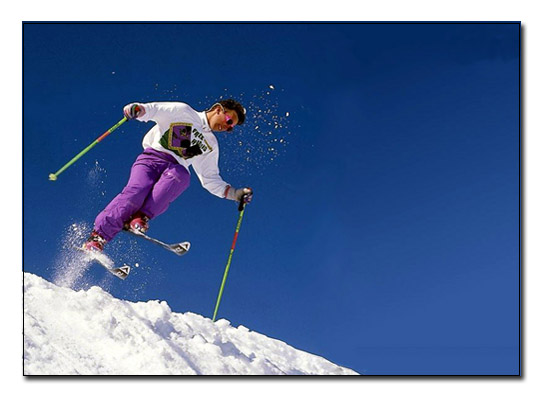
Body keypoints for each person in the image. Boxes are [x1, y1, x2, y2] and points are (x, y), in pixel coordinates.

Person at [83, 99, 253, 252]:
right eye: (229, 120)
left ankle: (139, 217)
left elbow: (210, 178)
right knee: (136, 192)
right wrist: (137, 109)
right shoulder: (184, 111)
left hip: (174, 168)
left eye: (231, 128)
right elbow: (153, 110)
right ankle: (98, 237)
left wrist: (234, 194)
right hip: (152, 159)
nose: (228, 127)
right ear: (218, 109)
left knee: (182, 176)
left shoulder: (211, 144)